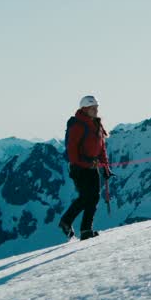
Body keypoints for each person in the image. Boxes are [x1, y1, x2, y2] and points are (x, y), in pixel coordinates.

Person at [59, 95, 110, 240]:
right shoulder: (78, 125)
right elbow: (72, 151)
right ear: (84, 109)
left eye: (96, 108)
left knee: (93, 197)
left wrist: (105, 166)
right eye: (92, 108)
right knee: (86, 197)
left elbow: (101, 148)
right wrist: (88, 162)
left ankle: (86, 230)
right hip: (79, 168)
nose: (95, 111)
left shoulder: (96, 124)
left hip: (92, 167)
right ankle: (67, 221)